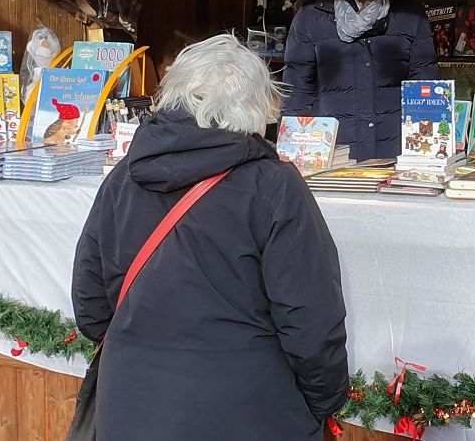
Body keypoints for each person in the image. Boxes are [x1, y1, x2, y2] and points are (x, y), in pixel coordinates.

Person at [72, 34, 348, 441]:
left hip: (130, 407)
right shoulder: (273, 185)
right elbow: (310, 320)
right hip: (249, 410)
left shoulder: (122, 177)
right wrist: (323, 404)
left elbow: (91, 308)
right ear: (256, 106)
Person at [284, 0, 438, 160]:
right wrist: (294, 149)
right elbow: (297, 88)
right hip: (331, 146)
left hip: (396, 144)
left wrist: (426, 147)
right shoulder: (311, 15)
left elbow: (424, 82)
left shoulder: (409, 14)